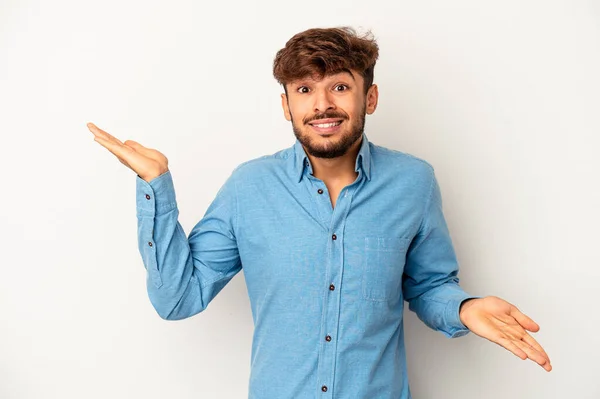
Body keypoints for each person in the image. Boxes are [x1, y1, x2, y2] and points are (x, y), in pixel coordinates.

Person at [88, 26, 551, 398]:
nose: (322, 104)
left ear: (368, 98)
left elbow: (428, 286)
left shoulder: (414, 182)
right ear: (286, 104)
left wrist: (464, 307)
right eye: (305, 88)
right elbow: (178, 299)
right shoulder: (249, 187)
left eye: (340, 86)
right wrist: (155, 186)